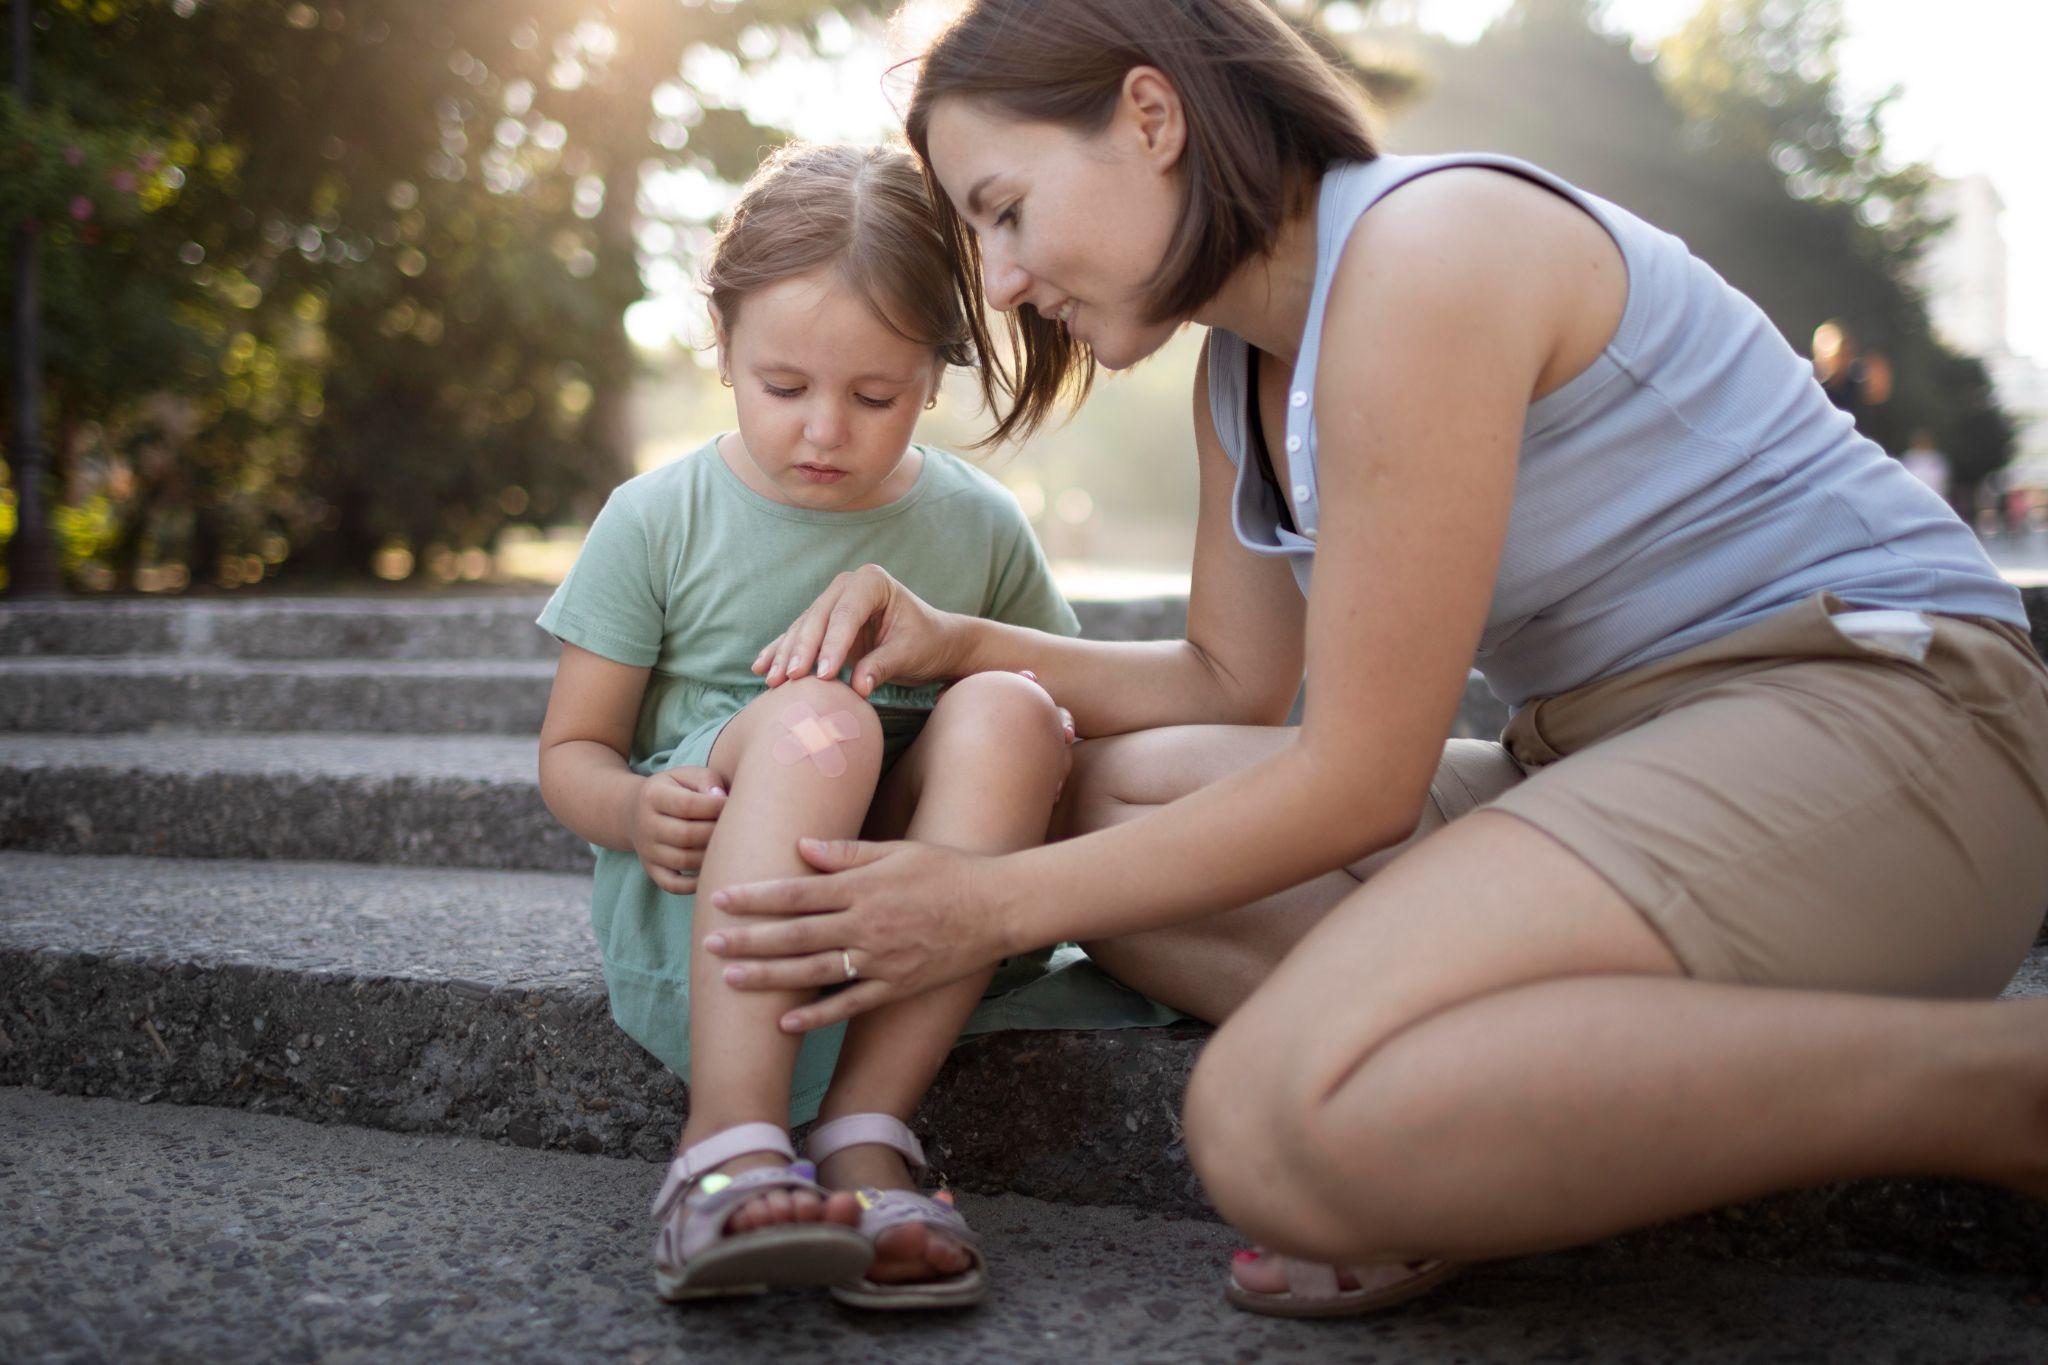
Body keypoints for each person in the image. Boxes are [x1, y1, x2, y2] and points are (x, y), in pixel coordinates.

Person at [704, 0, 2048, 1320]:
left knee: (1274, 1128)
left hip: (1890, 732)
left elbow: (1357, 782)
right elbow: (1233, 689)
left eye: (1002, 207)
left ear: (1151, 115)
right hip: (1611, 760)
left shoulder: (1426, 253)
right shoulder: (1245, 367)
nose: (996, 279)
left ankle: (2004, 1082)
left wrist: (983, 905)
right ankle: (1473, 1128)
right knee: (1088, 787)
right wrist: (964, 641)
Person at [534, 141, 1167, 1310]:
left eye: (873, 396)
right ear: (720, 347)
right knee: (817, 720)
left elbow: (1074, 697)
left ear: (933, 375)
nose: (824, 429)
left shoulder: (974, 522)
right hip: (722, 912)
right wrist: (630, 805)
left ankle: (868, 1132)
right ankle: (724, 1144)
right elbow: (569, 754)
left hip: (923, 923)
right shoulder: (657, 520)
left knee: (1016, 711)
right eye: (785, 387)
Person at [1899, 430, 1954, 510]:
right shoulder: (1908, 457)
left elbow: (1943, 480)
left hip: (1936, 497)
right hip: (1912, 498)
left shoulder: (1937, 458)